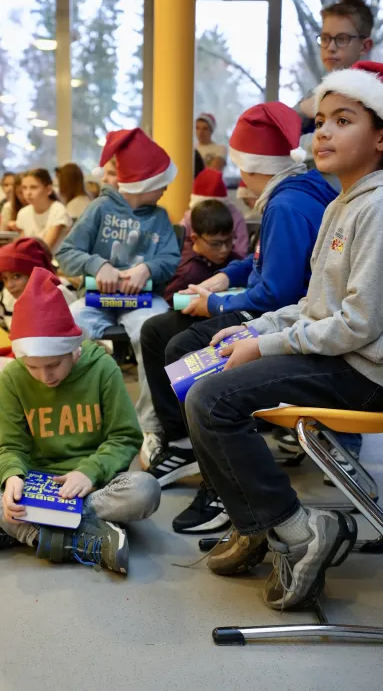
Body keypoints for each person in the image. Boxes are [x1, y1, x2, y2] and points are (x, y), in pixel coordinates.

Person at [172, 61, 383, 610]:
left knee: (213, 398)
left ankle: (297, 530)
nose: (324, 133)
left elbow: (358, 325)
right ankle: (258, 524)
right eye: (320, 121)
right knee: (206, 377)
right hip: (343, 356)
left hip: (367, 373)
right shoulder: (344, 202)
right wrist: (254, 328)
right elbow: (314, 306)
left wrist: (261, 346)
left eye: (344, 119)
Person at [141, 102, 337, 531]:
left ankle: (218, 481)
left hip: (286, 318)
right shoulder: (288, 194)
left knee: (182, 345)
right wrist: (219, 281)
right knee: (156, 332)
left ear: (249, 166)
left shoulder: (287, 206)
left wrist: (213, 306)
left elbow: (277, 293)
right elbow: (259, 262)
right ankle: (183, 442)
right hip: (279, 310)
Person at [0, 267, 160, 572]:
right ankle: (84, 538)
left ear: (74, 349)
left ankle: (34, 531)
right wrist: (12, 479)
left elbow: (125, 437)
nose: (44, 377)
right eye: (32, 367)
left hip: (94, 485)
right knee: (4, 495)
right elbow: (10, 445)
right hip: (37, 484)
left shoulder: (103, 369)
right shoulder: (12, 378)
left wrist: (89, 471)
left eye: (54, 364)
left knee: (145, 490)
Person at [56, 127, 180, 434]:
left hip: (143, 300)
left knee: (156, 331)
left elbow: (170, 259)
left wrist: (147, 269)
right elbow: (66, 253)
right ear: (141, 183)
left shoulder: (160, 217)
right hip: (97, 300)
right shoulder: (99, 209)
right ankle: (78, 417)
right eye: (161, 183)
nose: (165, 189)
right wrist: (97, 265)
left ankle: (151, 425)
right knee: (68, 327)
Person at [140, 198, 241, 467]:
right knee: (160, 335)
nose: (224, 250)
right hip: (196, 320)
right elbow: (174, 300)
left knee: (170, 341)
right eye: (216, 243)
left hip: (232, 320)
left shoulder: (235, 261)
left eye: (229, 241)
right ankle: (177, 436)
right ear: (196, 238)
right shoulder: (188, 268)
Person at [295, 0, 374, 133]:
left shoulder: (373, 98)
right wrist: (301, 110)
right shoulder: (314, 94)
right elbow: (277, 134)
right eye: (325, 38)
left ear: (365, 46)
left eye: (342, 39)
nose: (330, 47)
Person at [0, 237, 76, 332]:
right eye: (4, 278)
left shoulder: (61, 295)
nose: (9, 285)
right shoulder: (5, 299)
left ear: (37, 274)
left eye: (16, 276)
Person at [180, 167, 249, 258]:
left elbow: (241, 250)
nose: (223, 249)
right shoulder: (189, 217)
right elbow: (180, 245)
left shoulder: (235, 216)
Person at [16, 169, 72, 254]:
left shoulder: (58, 209)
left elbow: (45, 248)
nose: (28, 193)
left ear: (48, 190)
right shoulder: (23, 213)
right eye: (24, 188)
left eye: (33, 187)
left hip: (54, 263)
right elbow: (22, 245)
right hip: (33, 260)